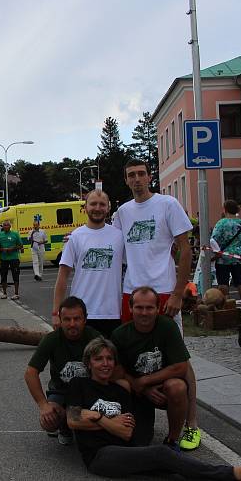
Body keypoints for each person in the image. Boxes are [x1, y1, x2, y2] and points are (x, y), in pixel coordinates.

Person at [67, 337, 241, 480]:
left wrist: (95, 416)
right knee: (162, 454)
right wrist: (108, 421)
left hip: (124, 449)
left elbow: (126, 431)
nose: (105, 364)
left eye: (109, 358)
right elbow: (73, 420)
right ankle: (237, 474)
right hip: (99, 457)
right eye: (98, 359)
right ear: (89, 363)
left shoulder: (121, 391)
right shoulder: (79, 384)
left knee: (173, 470)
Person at [114, 159, 200, 451]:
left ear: (150, 177)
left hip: (164, 291)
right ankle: (136, 413)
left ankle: (192, 424)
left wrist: (178, 292)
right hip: (131, 292)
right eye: (131, 176)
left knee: (180, 358)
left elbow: (185, 249)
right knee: (131, 353)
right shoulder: (122, 213)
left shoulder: (168, 204)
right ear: (126, 180)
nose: (137, 179)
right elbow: (115, 250)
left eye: (141, 174)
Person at [111, 286, 189, 449]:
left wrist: (146, 381)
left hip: (161, 388)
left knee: (177, 387)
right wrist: (142, 388)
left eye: (149, 308)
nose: (144, 313)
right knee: (138, 442)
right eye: (139, 307)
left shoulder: (168, 327)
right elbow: (116, 372)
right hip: (135, 390)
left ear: (158, 308)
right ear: (130, 308)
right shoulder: (120, 334)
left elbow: (181, 367)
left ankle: (172, 440)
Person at [25, 296, 101, 445]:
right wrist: (43, 405)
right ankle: (64, 427)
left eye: (77, 319)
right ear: (60, 320)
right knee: (48, 421)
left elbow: (112, 370)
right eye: (67, 319)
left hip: (89, 392)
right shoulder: (52, 339)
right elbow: (30, 373)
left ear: (85, 319)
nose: (72, 324)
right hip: (61, 392)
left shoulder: (95, 338)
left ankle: (90, 430)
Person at [53, 190, 124, 338]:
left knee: (108, 360)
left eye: (102, 204)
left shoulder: (119, 236)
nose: (97, 208)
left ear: (108, 208)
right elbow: (62, 277)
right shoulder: (75, 237)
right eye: (93, 204)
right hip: (80, 314)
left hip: (112, 313)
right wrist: (56, 312)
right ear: (85, 207)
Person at [211, 200, 241, 309]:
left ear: (225, 209)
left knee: (223, 281)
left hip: (223, 256)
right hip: (239, 256)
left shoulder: (221, 223)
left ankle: (226, 306)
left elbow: (214, 239)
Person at [0, 220, 23, 300]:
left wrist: (12, 248)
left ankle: (16, 293)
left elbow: (20, 245)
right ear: (2, 227)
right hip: (4, 258)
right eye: (4, 225)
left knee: (15, 275)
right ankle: (4, 293)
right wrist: (2, 249)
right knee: (3, 275)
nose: (6, 226)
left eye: (7, 225)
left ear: (10, 226)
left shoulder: (15, 234)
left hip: (14, 258)